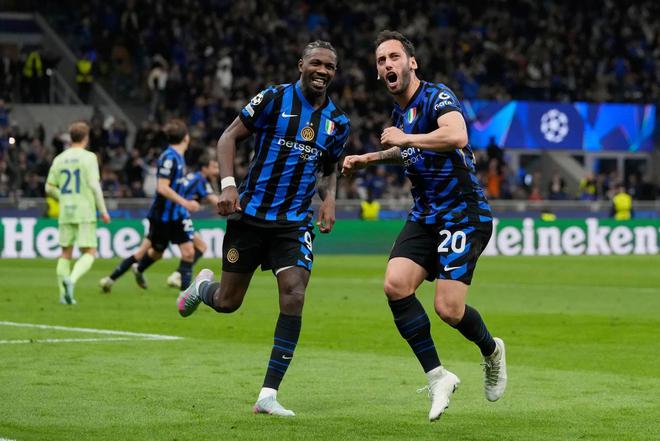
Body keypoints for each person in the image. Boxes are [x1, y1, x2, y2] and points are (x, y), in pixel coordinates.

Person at [177, 41, 350, 417]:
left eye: (329, 67)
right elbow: (228, 137)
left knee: (294, 293)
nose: (322, 71)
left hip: (294, 223)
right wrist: (227, 185)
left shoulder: (338, 122)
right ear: (301, 64)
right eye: (316, 63)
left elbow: (329, 167)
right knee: (227, 302)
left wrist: (329, 199)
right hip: (251, 216)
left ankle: (268, 395)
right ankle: (201, 288)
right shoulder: (274, 99)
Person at [342, 30, 507, 421]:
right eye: (381, 60)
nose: (388, 64)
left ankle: (492, 351)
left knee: (448, 309)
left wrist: (406, 138)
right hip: (425, 215)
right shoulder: (400, 116)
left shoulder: (437, 96)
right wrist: (369, 158)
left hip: (462, 213)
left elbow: (456, 135)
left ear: (411, 63)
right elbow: (406, 152)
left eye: (394, 57)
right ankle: (438, 377)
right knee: (395, 284)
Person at [99, 156, 219, 292]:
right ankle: (178, 277)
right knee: (196, 248)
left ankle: (113, 278)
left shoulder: (192, 177)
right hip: (176, 218)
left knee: (154, 253)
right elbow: (215, 200)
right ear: (204, 168)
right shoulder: (201, 180)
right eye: (214, 167)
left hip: (166, 216)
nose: (217, 171)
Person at [127, 119, 200, 293]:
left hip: (177, 214)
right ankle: (140, 268)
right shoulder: (169, 157)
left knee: (188, 252)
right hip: (163, 215)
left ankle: (184, 296)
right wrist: (185, 202)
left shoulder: (179, 157)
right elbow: (162, 187)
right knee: (157, 252)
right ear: (186, 138)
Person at [45, 121, 110, 304]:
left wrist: (64, 198)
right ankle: (71, 281)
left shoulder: (59, 159)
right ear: (86, 138)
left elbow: (49, 187)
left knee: (65, 253)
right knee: (90, 251)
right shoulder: (89, 158)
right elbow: (94, 186)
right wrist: (103, 211)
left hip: (66, 211)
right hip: (85, 210)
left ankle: (63, 296)